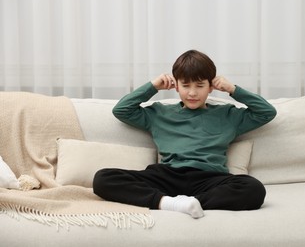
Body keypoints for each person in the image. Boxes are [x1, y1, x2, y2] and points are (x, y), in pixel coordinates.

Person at [93, 49, 277, 219]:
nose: (192, 93)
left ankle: (191, 202)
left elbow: (266, 112)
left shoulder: (228, 115)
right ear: (176, 86)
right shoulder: (159, 113)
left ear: (211, 86)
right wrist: (153, 86)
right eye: (185, 85)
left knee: (254, 189)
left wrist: (233, 89)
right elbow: (122, 110)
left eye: (199, 85)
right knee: (103, 178)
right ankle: (170, 203)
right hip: (167, 176)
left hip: (209, 178)